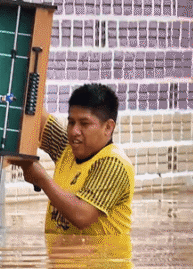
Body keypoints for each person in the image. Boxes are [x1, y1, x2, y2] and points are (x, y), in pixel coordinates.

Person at [11, 83, 134, 235]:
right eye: (71, 122)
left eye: (84, 124)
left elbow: (81, 216)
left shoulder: (114, 163)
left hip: (101, 259)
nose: (74, 131)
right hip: (63, 258)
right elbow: (35, 119)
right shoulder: (67, 148)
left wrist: (41, 179)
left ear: (108, 127)